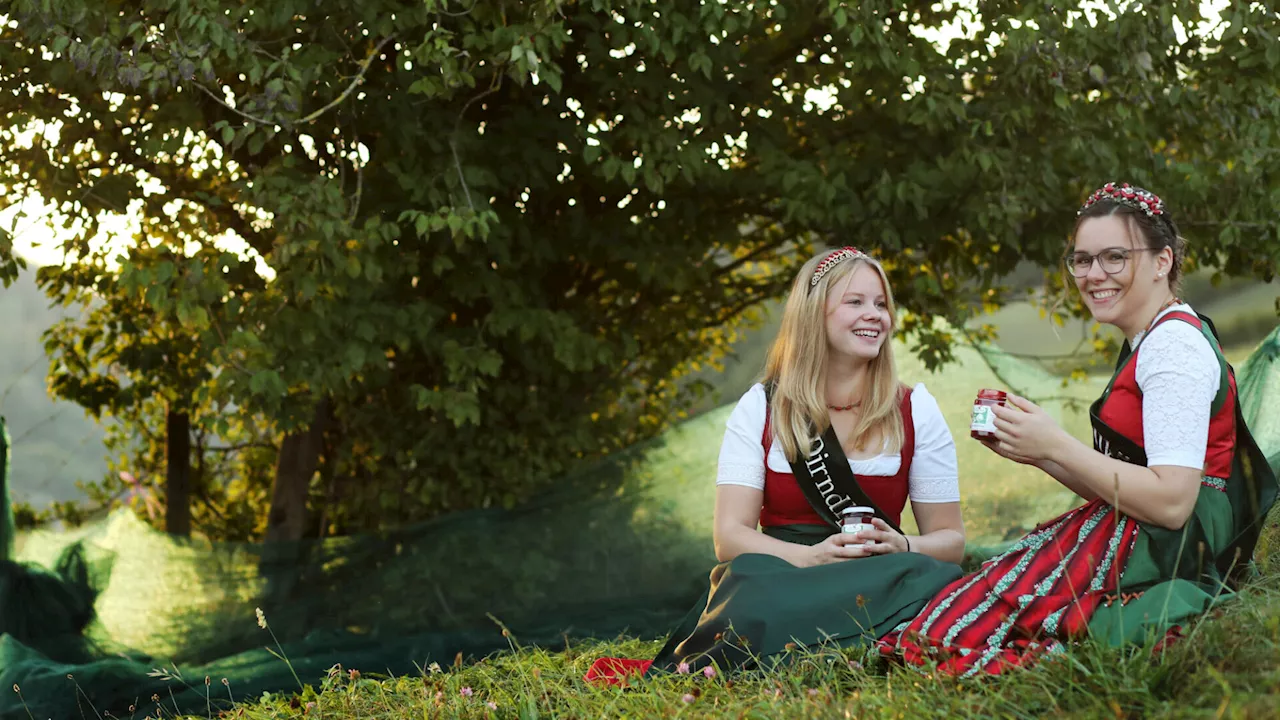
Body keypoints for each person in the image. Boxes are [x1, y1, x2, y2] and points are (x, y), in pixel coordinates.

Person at [877, 181, 1278, 676]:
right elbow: (1124, 482)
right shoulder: (1147, 339)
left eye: (1114, 257)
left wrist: (1058, 443)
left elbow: (1172, 502)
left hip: (1175, 538)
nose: (1093, 275)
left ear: (1162, 261)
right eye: (1082, 260)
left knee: (961, 630)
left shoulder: (1174, 348)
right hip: (1138, 520)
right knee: (959, 608)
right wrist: (1039, 452)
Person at [585, 246, 968, 684]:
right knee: (746, 577)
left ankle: (803, 651)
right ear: (813, 314)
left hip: (877, 571)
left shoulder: (915, 409)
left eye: (881, 304)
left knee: (935, 576)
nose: (875, 315)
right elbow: (729, 538)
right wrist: (809, 558)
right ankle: (856, 648)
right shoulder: (761, 407)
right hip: (784, 571)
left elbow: (951, 541)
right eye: (855, 302)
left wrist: (904, 547)